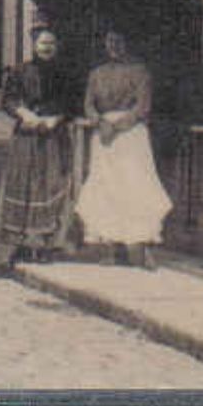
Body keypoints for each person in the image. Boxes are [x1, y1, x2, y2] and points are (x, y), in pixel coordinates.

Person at [74, 29, 172, 267]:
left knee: (135, 185)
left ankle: (138, 245)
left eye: (119, 41)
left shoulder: (140, 71)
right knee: (106, 186)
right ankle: (108, 246)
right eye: (110, 41)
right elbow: (89, 105)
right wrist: (99, 122)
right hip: (104, 137)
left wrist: (117, 126)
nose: (114, 46)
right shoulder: (97, 74)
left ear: (128, 43)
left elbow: (143, 106)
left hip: (131, 136)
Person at [0, 25, 78, 263]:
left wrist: (58, 118)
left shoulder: (65, 73)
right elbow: (8, 99)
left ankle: (46, 244)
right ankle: (21, 243)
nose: (47, 48)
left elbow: (72, 104)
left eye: (51, 44)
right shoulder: (21, 71)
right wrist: (23, 113)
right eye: (43, 44)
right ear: (33, 45)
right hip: (27, 136)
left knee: (50, 185)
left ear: (57, 46)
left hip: (54, 137)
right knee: (25, 185)